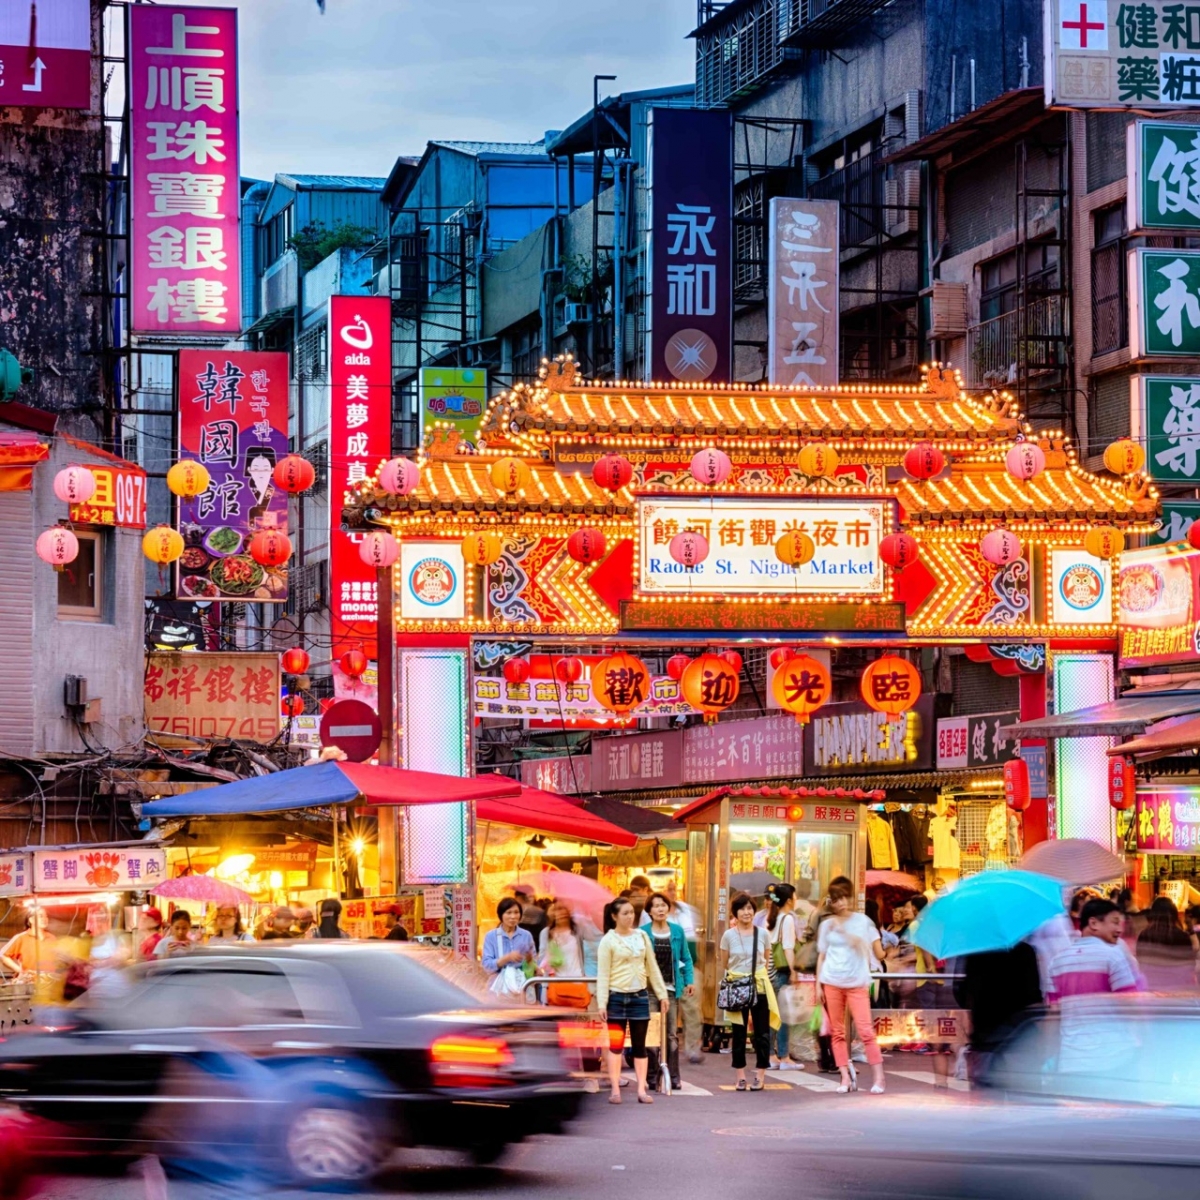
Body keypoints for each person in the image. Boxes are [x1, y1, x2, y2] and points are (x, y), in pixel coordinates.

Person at [1048, 897, 1142, 1074]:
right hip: (1115, 1057)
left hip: (1072, 1062)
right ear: (1093, 923)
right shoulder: (1113, 956)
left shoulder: (1057, 962)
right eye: (1114, 922)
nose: (1119, 929)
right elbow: (1131, 1005)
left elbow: (1053, 1016)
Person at [816, 879, 886, 1095]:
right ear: (831, 902)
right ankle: (844, 1076)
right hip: (832, 981)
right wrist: (818, 984)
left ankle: (879, 1078)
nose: (841, 903)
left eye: (845, 898)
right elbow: (822, 955)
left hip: (856, 982)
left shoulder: (862, 922)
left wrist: (844, 931)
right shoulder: (826, 924)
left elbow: (868, 947)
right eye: (836, 899)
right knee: (837, 1033)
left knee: (865, 1030)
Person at [596, 897, 668, 1105]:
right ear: (614, 916)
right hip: (616, 997)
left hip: (639, 996)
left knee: (640, 1045)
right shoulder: (608, 941)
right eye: (625, 913)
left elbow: (652, 968)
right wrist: (602, 1002)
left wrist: (662, 994)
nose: (630, 917)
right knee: (616, 1045)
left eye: (631, 913)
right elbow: (604, 974)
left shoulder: (642, 936)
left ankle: (641, 1090)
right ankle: (615, 1090)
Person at [719, 893, 776, 1092]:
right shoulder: (728, 935)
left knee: (762, 1033)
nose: (747, 912)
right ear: (735, 913)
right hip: (736, 988)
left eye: (750, 908)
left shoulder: (763, 934)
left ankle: (760, 1075)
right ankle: (741, 1076)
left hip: (759, 985)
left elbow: (765, 960)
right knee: (739, 1033)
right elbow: (724, 962)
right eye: (742, 908)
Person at [644, 891, 695, 1089]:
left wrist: (689, 981)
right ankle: (651, 1075)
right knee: (651, 1034)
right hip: (649, 991)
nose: (660, 909)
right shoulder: (643, 933)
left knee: (672, 1035)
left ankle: (674, 1076)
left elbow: (686, 958)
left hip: (671, 990)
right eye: (656, 906)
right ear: (649, 911)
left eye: (663, 905)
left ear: (668, 908)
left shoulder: (677, 931)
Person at [765, 882, 802, 1070]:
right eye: (794, 897)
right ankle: (783, 1057)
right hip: (781, 971)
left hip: (770, 972)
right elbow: (788, 948)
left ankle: (771, 1056)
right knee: (782, 1016)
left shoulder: (772, 918)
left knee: (774, 1015)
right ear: (788, 900)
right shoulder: (786, 919)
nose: (796, 900)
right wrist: (794, 971)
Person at [1135, 896, 1198, 990]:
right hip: (1177, 989)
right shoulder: (1182, 936)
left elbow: (1140, 963)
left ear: (1153, 914)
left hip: (1151, 988)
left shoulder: (1144, 935)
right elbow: (1189, 966)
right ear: (1174, 915)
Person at [482, 897, 536, 977]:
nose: (513, 916)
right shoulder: (491, 936)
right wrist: (507, 958)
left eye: (516, 912)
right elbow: (486, 966)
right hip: (499, 985)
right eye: (509, 913)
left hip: (522, 984)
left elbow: (534, 964)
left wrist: (529, 960)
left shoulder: (526, 935)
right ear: (501, 915)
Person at [0, 908, 55, 976]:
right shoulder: (21, 938)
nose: (44, 919)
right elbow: (3, 955)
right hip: (30, 982)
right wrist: (21, 971)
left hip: (50, 982)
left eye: (46, 916)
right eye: (40, 916)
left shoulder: (52, 938)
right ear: (31, 919)